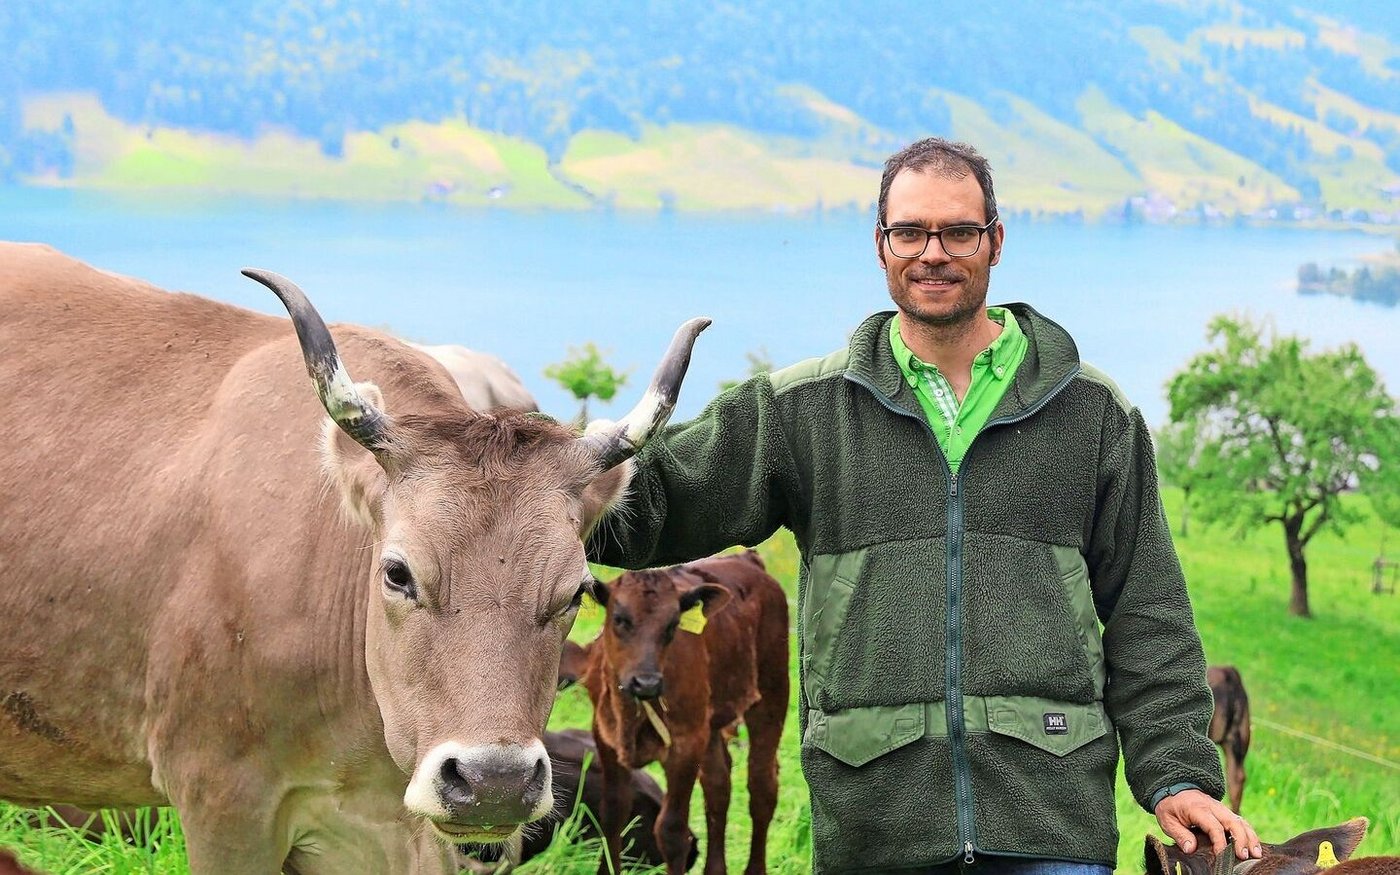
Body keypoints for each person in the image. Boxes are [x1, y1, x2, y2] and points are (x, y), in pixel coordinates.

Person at [587, 137, 1260, 874]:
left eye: (958, 232)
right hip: (875, 833)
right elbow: (649, 504)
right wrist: (528, 485)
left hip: (1050, 829)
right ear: (881, 246)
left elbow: (1148, 608)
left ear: (995, 242)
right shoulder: (803, 411)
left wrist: (1178, 773)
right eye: (910, 231)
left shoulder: (1091, 413)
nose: (932, 252)